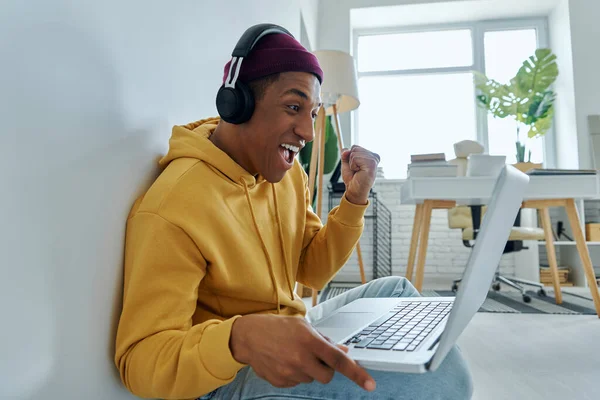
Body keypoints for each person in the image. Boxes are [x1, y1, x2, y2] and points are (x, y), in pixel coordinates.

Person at [114, 24, 473, 400]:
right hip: (226, 375)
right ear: (236, 105)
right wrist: (239, 339)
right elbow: (141, 361)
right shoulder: (174, 205)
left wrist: (353, 200)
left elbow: (312, 270)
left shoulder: (285, 173)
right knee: (443, 381)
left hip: (291, 325)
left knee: (396, 292)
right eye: (293, 107)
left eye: (313, 113)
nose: (308, 131)